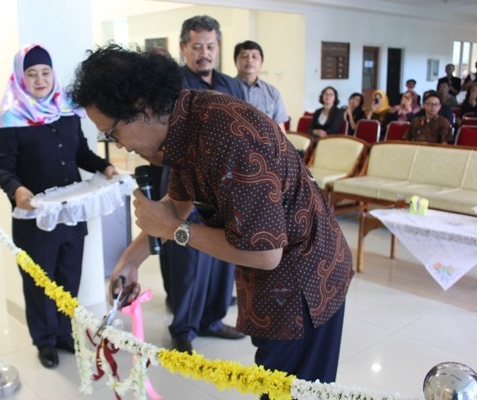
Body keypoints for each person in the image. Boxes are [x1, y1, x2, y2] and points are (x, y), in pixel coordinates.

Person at [68, 44, 354, 395]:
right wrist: (130, 260)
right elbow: (179, 204)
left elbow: (265, 254)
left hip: (305, 286)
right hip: (274, 285)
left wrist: (174, 230)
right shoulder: (185, 120)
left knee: (295, 391)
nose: (119, 146)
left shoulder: (229, 137)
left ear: (142, 110)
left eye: (112, 134)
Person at [0, 44, 117, 369]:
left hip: (71, 213)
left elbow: (81, 153)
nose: (40, 80)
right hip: (36, 217)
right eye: (32, 74)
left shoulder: (66, 110)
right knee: (39, 282)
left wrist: (105, 167)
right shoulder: (10, 118)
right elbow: (2, 168)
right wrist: (17, 190)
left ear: (53, 74)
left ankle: (63, 333)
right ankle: (44, 340)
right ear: (20, 78)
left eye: (45, 72)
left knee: (68, 276)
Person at [149, 15, 246, 354]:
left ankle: (212, 320)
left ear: (218, 47)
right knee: (189, 258)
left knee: (223, 256)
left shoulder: (232, 85)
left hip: (226, 185)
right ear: (183, 47)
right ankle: (184, 329)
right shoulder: (172, 85)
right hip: (186, 183)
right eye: (197, 47)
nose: (204, 53)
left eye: (210, 46)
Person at [233, 40, 288, 133]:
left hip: (266, 142)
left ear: (261, 63)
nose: (250, 60)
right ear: (235, 61)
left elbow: (280, 129)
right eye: (244, 56)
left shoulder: (272, 92)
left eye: (254, 56)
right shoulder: (225, 89)